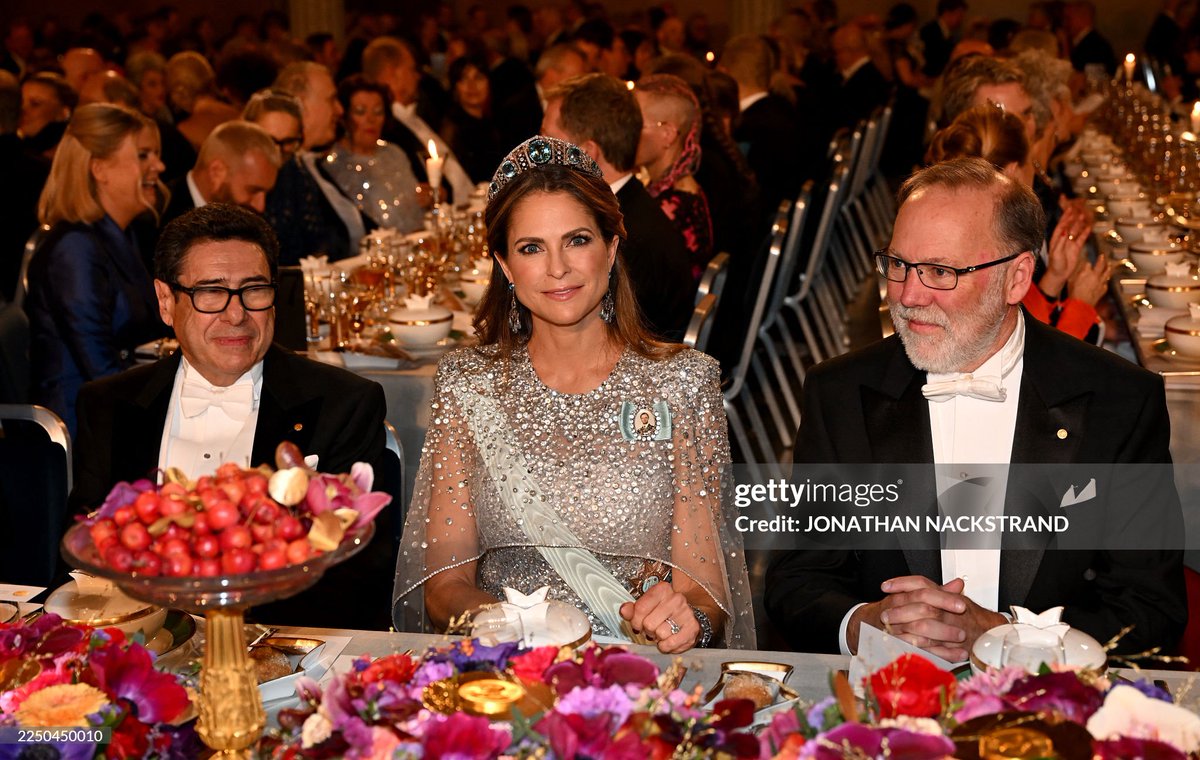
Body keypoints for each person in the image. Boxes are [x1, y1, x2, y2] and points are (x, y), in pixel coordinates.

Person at [764, 157, 1185, 660]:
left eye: (940, 271)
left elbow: (1150, 608)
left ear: (1016, 278)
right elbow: (797, 582)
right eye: (898, 265)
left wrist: (1007, 635)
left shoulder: (1119, 400)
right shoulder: (840, 392)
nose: (908, 295)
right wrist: (863, 625)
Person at [393, 136, 755, 651]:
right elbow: (445, 583)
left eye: (577, 240)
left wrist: (685, 617)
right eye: (531, 248)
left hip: (637, 668)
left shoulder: (682, 383)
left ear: (611, 248)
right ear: (505, 266)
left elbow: (707, 593)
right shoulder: (468, 384)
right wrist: (518, 626)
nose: (557, 267)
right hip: (509, 662)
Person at [71, 203, 391, 629]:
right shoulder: (108, 405)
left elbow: (359, 575)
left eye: (254, 290)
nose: (236, 314)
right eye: (211, 292)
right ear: (166, 302)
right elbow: (87, 556)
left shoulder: (344, 403)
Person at [24, 103, 167, 435]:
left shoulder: (119, 234)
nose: (159, 166)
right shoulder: (75, 249)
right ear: (100, 169)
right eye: (142, 155)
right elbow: (100, 369)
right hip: (80, 432)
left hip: (107, 414)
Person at [927, 105, 1108, 342]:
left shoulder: (980, 233)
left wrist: (1054, 277)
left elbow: (1026, 321)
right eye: (1031, 163)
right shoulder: (984, 258)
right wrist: (1081, 306)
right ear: (1012, 173)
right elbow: (1033, 360)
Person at [542, 73, 694, 341]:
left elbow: (590, 341)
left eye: (547, 140)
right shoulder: (627, 208)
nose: (537, 152)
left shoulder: (623, 240)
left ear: (586, 153)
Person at [268, 62, 373, 263]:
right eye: (331, 99)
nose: (340, 110)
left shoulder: (309, 164)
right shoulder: (283, 175)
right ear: (301, 105)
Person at [634, 74, 713, 279]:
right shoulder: (673, 187)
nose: (625, 132)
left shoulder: (673, 206)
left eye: (634, 123)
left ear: (667, 134)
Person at [324, 75, 424, 232]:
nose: (371, 119)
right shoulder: (332, 164)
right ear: (344, 117)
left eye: (378, 112)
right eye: (360, 112)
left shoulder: (394, 153)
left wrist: (430, 197)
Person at [162, 119, 280, 224]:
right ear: (216, 172)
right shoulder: (161, 214)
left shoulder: (250, 225)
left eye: (267, 193)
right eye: (253, 190)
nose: (260, 206)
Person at [439, 55, 505, 185]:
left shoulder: (498, 120)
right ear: (455, 87)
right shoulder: (452, 127)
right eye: (464, 79)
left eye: (478, 78)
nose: (472, 86)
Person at [919, 0, 967, 78]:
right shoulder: (930, 30)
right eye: (959, 15)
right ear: (947, 13)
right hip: (930, 77)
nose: (961, 19)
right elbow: (934, 58)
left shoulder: (949, 32)